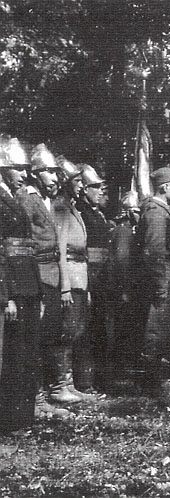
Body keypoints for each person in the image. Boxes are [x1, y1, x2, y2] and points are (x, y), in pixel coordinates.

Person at [17, 144, 75, 416]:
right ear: (35, 174)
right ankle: (36, 399)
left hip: (50, 274)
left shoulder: (41, 198)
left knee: (49, 336)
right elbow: (27, 239)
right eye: (49, 173)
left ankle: (46, 395)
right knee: (36, 340)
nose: (54, 178)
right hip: (39, 273)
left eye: (54, 173)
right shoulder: (28, 198)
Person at [0, 137, 43, 429]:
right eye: (18, 168)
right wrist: (7, 296)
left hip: (27, 286)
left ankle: (22, 417)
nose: (25, 174)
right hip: (14, 288)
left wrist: (36, 292)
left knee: (26, 352)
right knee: (13, 355)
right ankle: (10, 419)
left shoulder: (14, 199)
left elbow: (28, 249)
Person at [134, 167, 170, 396]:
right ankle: (150, 383)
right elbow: (153, 252)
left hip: (167, 275)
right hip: (162, 276)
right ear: (165, 187)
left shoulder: (161, 211)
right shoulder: (155, 212)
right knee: (155, 329)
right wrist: (160, 284)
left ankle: (154, 380)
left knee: (162, 328)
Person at [54, 156, 96, 402]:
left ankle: (69, 384)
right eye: (76, 181)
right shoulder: (60, 206)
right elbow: (60, 249)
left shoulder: (71, 207)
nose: (81, 185)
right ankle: (62, 384)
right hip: (70, 276)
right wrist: (65, 287)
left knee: (77, 331)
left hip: (80, 277)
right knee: (67, 332)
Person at [76, 164, 112, 391]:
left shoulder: (97, 213)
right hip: (89, 277)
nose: (100, 191)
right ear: (84, 189)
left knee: (100, 329)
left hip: (102, 279)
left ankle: (99, 380)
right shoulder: (81, 211)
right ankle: (84, 382)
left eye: (101, 187)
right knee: (86, 332)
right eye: (95, 187)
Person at [109, 191, 140, 383]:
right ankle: (118, 372)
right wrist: (124, 289)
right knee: (121, 330)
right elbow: (121, 262)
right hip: (122, 288)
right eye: (136, 211)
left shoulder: (133, 229)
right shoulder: (124, 231)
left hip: (130, 287)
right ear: (128, 212)